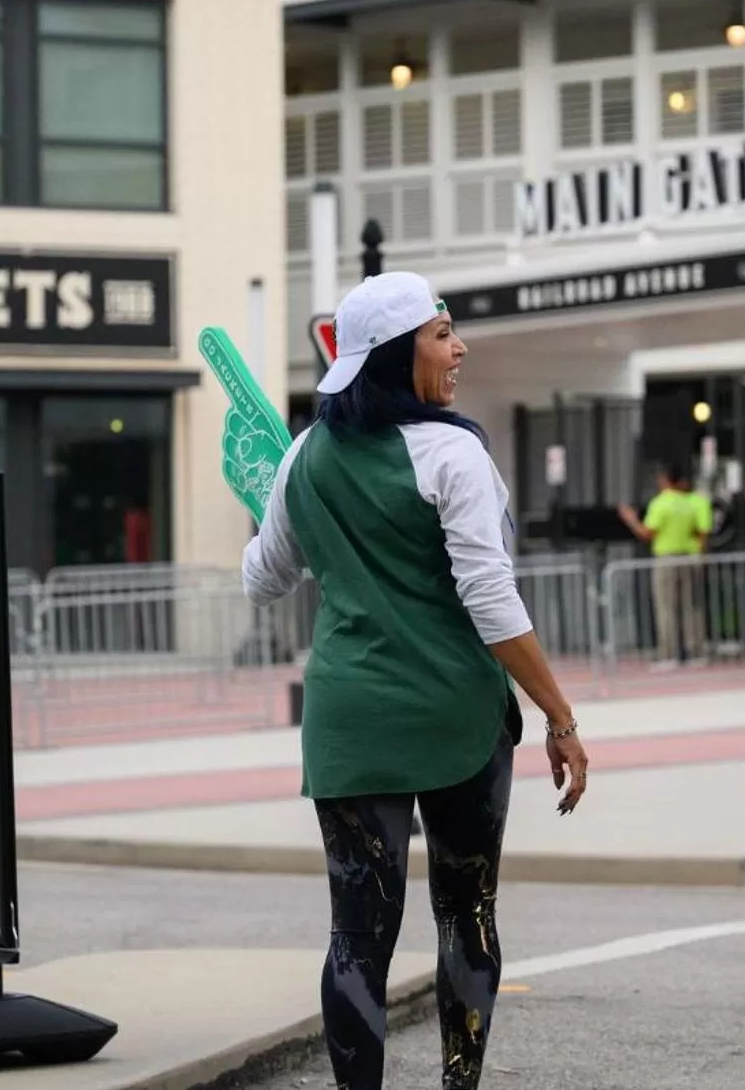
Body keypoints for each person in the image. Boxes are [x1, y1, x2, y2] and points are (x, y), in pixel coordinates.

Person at [242, 270, 590, 1090]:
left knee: (357, 936)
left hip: (350, 720)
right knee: (466, 915)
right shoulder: (451, 451)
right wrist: (560, 712)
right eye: (441, 334)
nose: (459, 346)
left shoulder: (303, 454)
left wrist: (269, 501)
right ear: (397, 355)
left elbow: (262, 578)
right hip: (457, 720)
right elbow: (490, 595)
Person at [616, 462, 713, 669]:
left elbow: (647, 533)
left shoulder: (660, 503)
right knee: (692, 605)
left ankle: (669, 653)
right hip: (689, 556)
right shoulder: (692, 502)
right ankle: (695, 651)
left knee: (666, 607)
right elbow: (702, 533)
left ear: (666, 480)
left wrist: (631, 519)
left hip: (666, 558)